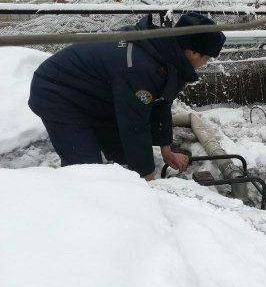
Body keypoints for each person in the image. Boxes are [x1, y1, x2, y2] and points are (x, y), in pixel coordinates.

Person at [28, 12, 225, 181]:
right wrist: (149, 179)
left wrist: (166, 149)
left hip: (94, 95)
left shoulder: (167, 55)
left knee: (123, 152)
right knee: (86, 168)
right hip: (57, 92)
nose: (205, 63)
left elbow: (161, 104)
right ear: (191, 52)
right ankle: (82, 212)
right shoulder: (142, 66)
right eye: (206, 58)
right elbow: (134, 125)